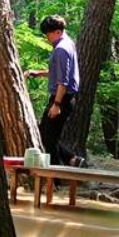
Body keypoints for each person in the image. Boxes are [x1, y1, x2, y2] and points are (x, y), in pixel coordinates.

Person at [26, 15, 84, 167]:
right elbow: (60, 71)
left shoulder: (61, 49)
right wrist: (40, 73)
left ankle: (56, 178)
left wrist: (57, 104)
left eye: (48, 34)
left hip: (62, 98)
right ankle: (72, 160)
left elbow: (63, 81)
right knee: (46, 134)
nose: (47, 38)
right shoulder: (68, 43)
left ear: (58, 32)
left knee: (48, 139)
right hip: (63, 97)